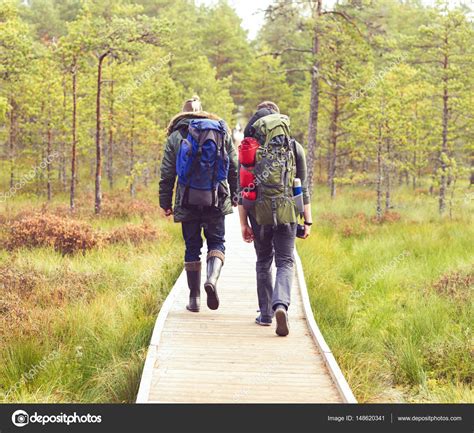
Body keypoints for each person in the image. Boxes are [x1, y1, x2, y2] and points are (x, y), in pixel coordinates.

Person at [238, 101, 312, 336]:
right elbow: (303, 187)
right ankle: (281, 305)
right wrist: (307, 221)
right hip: (288, 212)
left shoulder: (250, 147)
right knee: (285, 261)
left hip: (259, 213)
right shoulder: (293, 147)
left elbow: (243, 190)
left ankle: (266, 314)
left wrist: (243, 223)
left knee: (263, 261)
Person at [159, 96, 238, 312]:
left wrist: (165, 201)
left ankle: (194, 299)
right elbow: (234, 165)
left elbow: (167, 173)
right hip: (216, 197)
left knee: (192, 247)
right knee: (216, 242)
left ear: (182, 114)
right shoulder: (220, 131)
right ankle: (211, 280)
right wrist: (236, 193)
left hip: (187, 200)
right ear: (202, 112)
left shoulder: (175, 136)